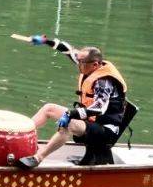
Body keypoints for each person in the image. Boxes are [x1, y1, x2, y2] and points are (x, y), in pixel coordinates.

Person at [12, 36, 132, 169]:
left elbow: (99, 108)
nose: (78, 64)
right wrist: (45, 41)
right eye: (78, 61)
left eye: (82, 63)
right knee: (48, 108)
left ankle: (37, 158)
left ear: (95, 65)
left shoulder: (103, 82)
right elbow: (66, 49)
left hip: (106, 130)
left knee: (69, 125)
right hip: (91, 121)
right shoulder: (87, 64)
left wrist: (71, 114)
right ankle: (18, 138)